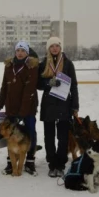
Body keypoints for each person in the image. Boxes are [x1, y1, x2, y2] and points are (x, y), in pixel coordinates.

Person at [0, 41, 39, 176]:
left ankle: (30, 161)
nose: (20, 53)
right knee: (9, 135)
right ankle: (10, 162)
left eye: (23, 51)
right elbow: (4, 87)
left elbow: (29, 91)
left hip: (28, 107)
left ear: (27, 53)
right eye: (18, 50)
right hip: (12, 107)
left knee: (30, 133)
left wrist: (22, 113)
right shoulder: (9, 67)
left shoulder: (31, 67)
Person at [37, 37, 79, 178]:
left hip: (64, 104)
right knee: (49, 137)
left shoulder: (68, 64)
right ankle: (52, 163)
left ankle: (60, 164)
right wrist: (48, 82)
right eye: (52, 46)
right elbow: (38, 84)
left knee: (62, 137)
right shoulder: (43, 63)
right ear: (48, 49)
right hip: (48, 104)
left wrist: (75, 106)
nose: (54, 48)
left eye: (57, 46)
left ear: (60, 48)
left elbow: (74, 86)